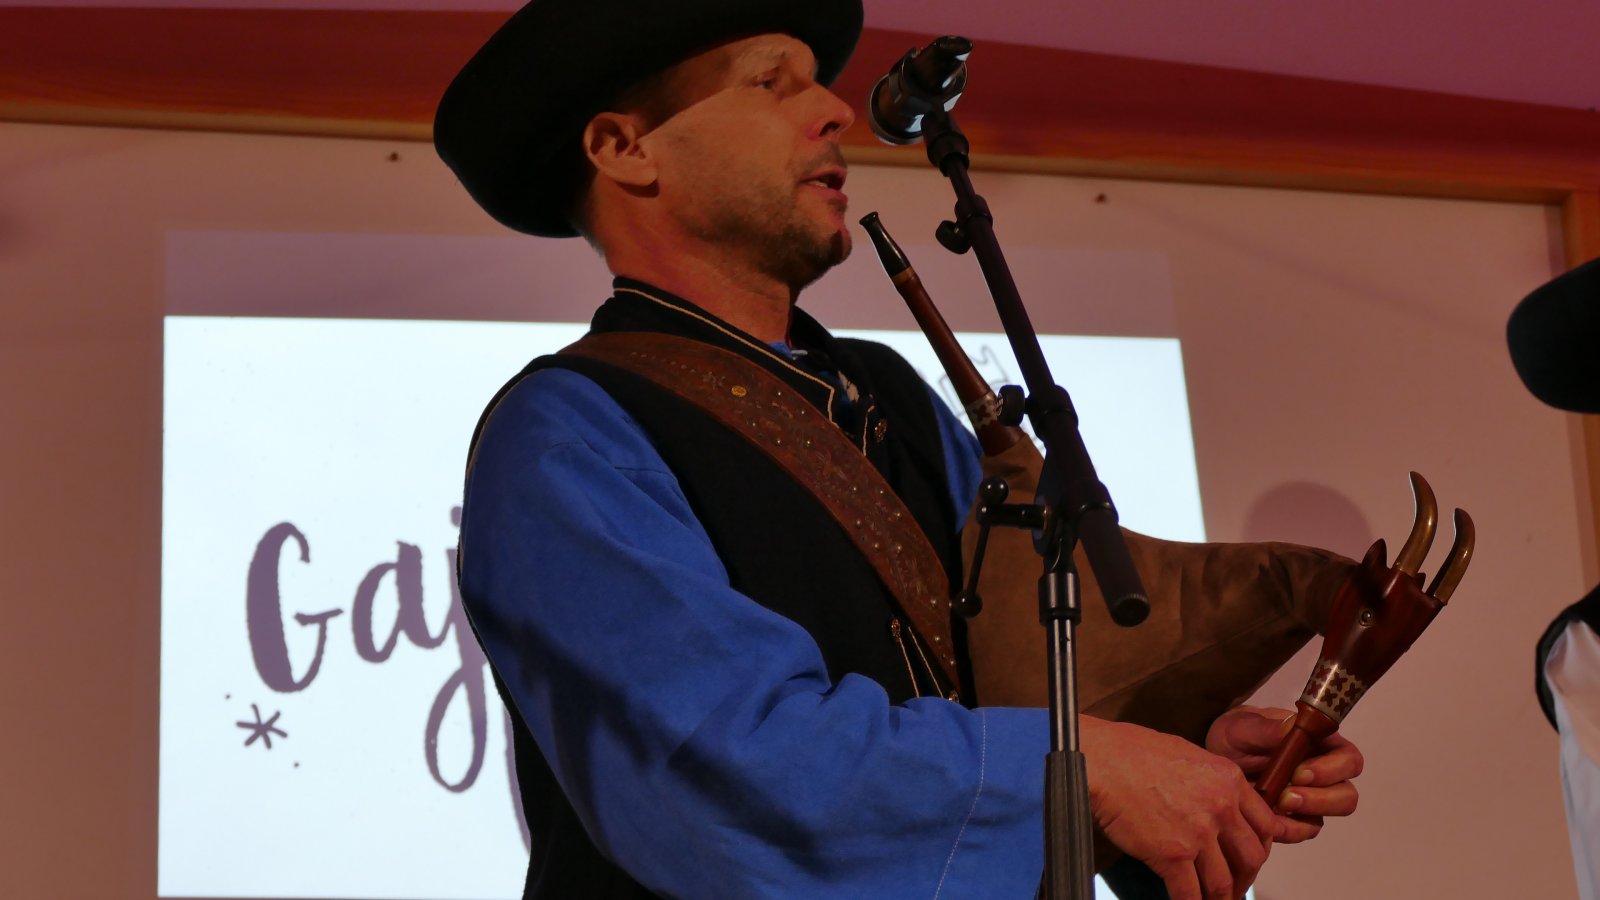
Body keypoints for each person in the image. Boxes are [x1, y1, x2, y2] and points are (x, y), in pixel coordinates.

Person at [433, 1, 1362, 897]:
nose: (835, 109)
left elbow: (1005, 672)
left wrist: (1182, 760)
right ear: (623, 147)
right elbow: (728, 762)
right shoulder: (569, 432)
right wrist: (1085, 774)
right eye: (770, 82)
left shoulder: (884, 392)